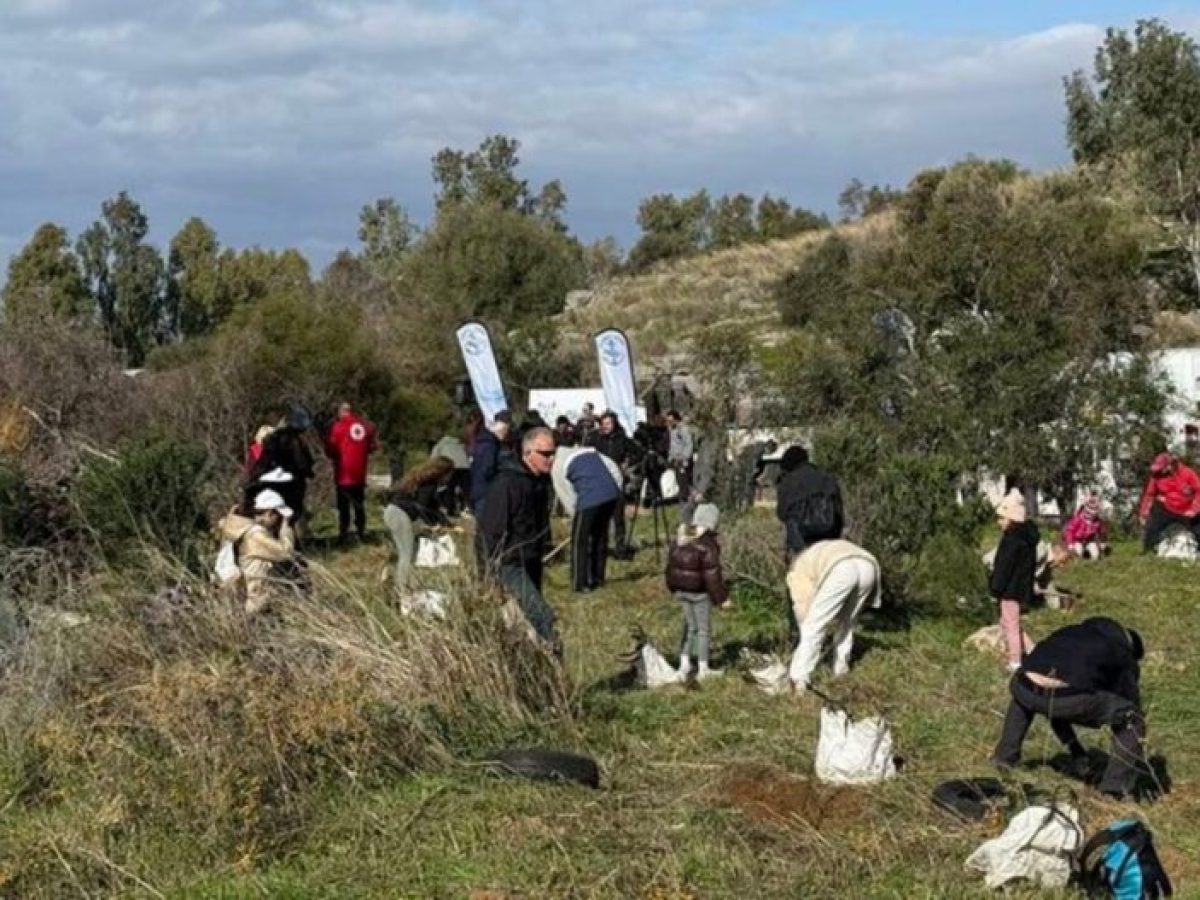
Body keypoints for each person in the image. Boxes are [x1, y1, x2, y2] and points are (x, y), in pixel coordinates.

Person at [992, 617, 1149, 800]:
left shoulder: (1071, 631)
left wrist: (1076, 750)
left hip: (1022, 685)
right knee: (1133, 719)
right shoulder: (1122, 652)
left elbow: (1052, 705)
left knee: (1031, 698)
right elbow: (1129, 700)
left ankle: (1003, 758)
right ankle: (1114, 789)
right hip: (1064, 698)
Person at [478, 427, 559, 646]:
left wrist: (545, 546)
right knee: (542, 616)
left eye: (553, 453)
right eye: (545, 454)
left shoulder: (540, 482)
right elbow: (490, 530)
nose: (551, 459)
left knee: (525, 622)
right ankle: (554, 658)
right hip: (509, 562)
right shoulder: (506, 483)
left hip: (532, 559)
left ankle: (532, 660)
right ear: (528, 453)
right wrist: (487, 572)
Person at [785, 537, 881, 691]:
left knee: (813, 625)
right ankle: (840, 670)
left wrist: (803, 631)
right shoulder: (815, 551)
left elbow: (803, 607)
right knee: (847, 624)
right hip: (868, 566)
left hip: (842, 568)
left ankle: (798, 679)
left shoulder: (796, 571)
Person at [665, 503, 729, 680]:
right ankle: (703, 667)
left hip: (682, 591)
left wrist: (673, 587)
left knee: (689, 626)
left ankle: (684, 663)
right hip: (700, 593)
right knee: (703, 630)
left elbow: (670, 567)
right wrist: (721, 598)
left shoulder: (681, 536)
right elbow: (712, 576)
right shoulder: (708, 544)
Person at [552, 446, 622, 592]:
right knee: (600, 537)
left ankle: (579, 583)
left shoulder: (557, 466)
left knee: (579, 542)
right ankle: (598, 578)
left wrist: (577, 519)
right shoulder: (588, 450)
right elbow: (612, 467)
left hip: (589, 498)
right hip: (612, 493)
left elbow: (567, 496)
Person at [218, 489, 299, 616]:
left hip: (249, 598)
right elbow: (286, 552)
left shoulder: (243, 530)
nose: (279, 520)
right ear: (270, 513)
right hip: (256, 602)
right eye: (279, 516)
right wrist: (287, 527)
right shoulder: (255, 535)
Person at [383, 456, 454, 591]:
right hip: (400, 515)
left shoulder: (422, 480)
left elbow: (430, 507)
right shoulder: (429, 485)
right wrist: (435, 523)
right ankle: (402, 588)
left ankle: (399, 580)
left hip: (392, 512)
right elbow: (424, 507)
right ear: (444, 472)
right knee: (407, 554)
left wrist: (445, 523)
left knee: (406, 551)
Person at [990, 489, 1039, 671]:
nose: (999, 522)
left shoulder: (1011, 541)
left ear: (1011, 519)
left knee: (1010, 624)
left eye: (1002, 518)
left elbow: (1004, 567)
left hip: (1010, 590)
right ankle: (1033, 650)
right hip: (1020, 587)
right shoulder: (1026, 539)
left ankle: (1016, 661)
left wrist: (995, 587)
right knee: (1009, 622)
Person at [585, 411, 645, 556]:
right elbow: (586, 453)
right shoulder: (596, 439)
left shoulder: (621, 438)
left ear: (614, 424)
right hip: (599, 481)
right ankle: (601, 547)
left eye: (609, 423)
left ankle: (620, 547)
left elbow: (638, 452)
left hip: (617, 480)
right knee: (600, 517)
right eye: (604, 423)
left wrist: (627, 466)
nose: (606, 426)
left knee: (618, 516)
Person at [251, 407, 316, 528]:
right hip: (291, 481)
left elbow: (263, 460)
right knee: (293, 510)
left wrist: (255, 476)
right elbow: (302, 461)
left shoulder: (273, 438)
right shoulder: (295, 441)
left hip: (268, 479)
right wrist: (308, 471)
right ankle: (291, 531)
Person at [775, 446, 844, 559]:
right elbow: (839, 510)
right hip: (830, 536)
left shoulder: (788, 482)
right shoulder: (827, 477)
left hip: (801, 541)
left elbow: (781, 514)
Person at [325, 402, 377, 545]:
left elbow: (331, 449)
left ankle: (343, 534)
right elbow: (372, 447)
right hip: (359, 473)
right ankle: (361, 532)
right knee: (359, 504)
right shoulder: (365, 426)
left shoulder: (338, 426)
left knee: (344, 506)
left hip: (343, 473)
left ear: (341, 412)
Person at [1138, 451, 1200, 552]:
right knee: (1152, 527)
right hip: (1168, 508)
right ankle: (1148, 551)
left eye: (1162, 468)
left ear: (1170, 465)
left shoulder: (1188, 473)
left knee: (1197, 529)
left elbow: (1198, 491)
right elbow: (1150, 495)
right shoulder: (1157, 476)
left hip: (1187, 510)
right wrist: (1143, 513)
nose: (1160, 471)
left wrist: (1194, 509)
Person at [469, 410, 513, 517]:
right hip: (487, 492)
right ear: (504, 427)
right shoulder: (491, 445)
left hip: (479, 489)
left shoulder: (483, 441)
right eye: (508, 430)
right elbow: (488, 469)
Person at [430, 433, 471, 517]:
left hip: (452, 466)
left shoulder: (440, 445)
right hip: (465, 466)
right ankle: (470, 508)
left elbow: (433, 459)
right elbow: (467, 453)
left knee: (450, 488)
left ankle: (450, 510)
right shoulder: (457, 443)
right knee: (467, 490)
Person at [1062, 493, 1110, 560]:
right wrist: (1070, 544)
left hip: (1089, 541)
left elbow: (1100, 533)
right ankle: (1080, 558)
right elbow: (1070, 531)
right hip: (1077, 541)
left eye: (1094, 510)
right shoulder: (1077, 519)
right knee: (1078, 552)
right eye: (1089, 511)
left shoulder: (1097, 522)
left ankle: (1090, 558)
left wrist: (1102, 543)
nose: (1091, 514)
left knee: (1095, 555)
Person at [665, 410, 694, 501]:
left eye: (671, 421)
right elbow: (672, 446)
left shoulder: (683, 429)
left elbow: (689, 445)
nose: (669, 423)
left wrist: (684, 457)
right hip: (674, 460)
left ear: (676, 419)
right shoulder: (671, 430)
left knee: (683, 479)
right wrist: (670, 458)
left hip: (683, 460)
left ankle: (686, 497)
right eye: (668, 421)